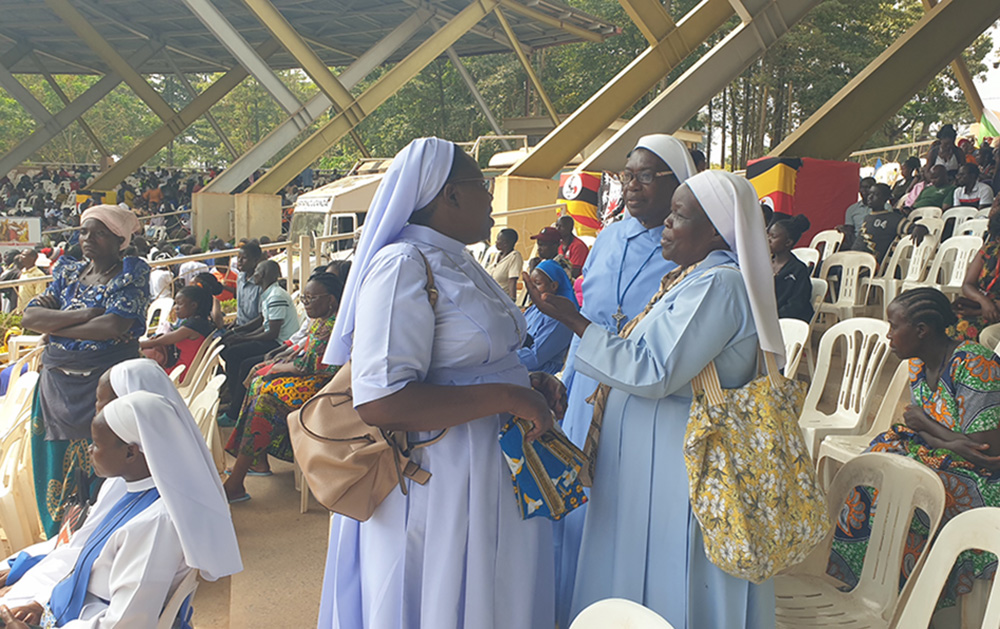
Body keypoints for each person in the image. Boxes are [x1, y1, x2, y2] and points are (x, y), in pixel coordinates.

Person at [317, 138, 563, 629]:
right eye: (483, 185)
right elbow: (382, 400)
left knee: (491, 592)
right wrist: (508, 395)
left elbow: (471, 357)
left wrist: (527, 380)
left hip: (489, 462)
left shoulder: (458, 258)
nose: (492, 196)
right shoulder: (404, 264)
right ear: (449, 195)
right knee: (443, 596)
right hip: (440, 474)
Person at [524, 169, 781, 627]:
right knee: (639, 566)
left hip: (680, 460)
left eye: (678, 216)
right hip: (652, 457)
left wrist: (576, 323)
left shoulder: (718, 284)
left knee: (672, 574)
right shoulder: (690, 279)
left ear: (715, 229)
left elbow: (654, 369)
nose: (665, 224)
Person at [553, 134, 695, 628]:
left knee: (621, 509)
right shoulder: (609, 237)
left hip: (639, 396)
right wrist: (565, 383)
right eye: (626, 175)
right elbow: (591, 315)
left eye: (646, 176)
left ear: (678, 184)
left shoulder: (691, 250)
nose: (632, 186)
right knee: (576, 500)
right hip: (585, 385)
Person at [0, 390, 242, 628]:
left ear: (130, 452)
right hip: (81, 609)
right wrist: (47, 605)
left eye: (95, 444)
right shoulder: (136, 490)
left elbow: (126, 623)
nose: (89, 451)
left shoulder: (156, 523)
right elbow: (89, 562)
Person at [829, 288, 1000, 610]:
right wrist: (938, 436)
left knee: (908, 494)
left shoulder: (976, 363)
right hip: (943, 458)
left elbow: (985, 450)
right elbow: (919, 429)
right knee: (873, 474)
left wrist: (927, 426)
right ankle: (870, 590)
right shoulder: (918, 365)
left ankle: (913, 602)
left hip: (986, 481)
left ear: (921, 331)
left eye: (894, 326)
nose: (889, 335)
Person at [21, 204, 149, 538]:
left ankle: (100, 538)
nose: (88, 239)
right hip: (56, 389)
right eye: (84, 232)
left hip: (105, 386)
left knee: (107, 463)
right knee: (54, 464)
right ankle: (59, 538)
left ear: (120, 239)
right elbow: (30, 318)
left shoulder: (131, 274)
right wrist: (83, 316)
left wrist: (57, 324)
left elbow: (114, 325)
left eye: (100, 233)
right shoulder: (67, 272)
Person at [223, 272, 344, 502]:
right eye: (304, 298)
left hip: (326, 390)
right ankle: (257, 461)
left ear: (331, 300)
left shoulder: (333, 325)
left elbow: (305, 366)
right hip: (314, 381)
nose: (306, 303)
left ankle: (237, 481)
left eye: (311, 298)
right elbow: (303, 354)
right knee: (259, 382)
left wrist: (275, 368)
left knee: (265, 400)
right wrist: (274, 364)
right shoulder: (321, 321)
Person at [220, 260, 299, 423]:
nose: (254, 274)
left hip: (280, 344)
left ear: (262, 275)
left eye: (256, 270)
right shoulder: (269, 294)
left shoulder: (276, 296)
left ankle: (235, 411)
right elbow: (263, 322)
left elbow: (271, 333)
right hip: (274, 340)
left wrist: (242, 338)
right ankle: (234, 398)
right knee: (231, 350)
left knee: (242, 362)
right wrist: (237, 332)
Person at [139, 280, 220, 372]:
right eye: (175, 303)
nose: (176, 308)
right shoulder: (201, 322)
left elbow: (164, 340)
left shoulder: (193, 326)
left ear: (193, 305)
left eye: (180, 304)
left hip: (181, 371)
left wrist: (140, 344)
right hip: (188, 369)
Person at [952, 195, 1000, 342]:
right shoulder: (989, 250)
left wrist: (977, 311)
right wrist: (982, 301)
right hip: (983, 306)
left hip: (992, 314)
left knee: (962, 333)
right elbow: (968, 284)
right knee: (941, 321)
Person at [517, 259, 578, 375]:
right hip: (521, 363)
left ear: (554, 286)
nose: (532, 289)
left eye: (538, 284)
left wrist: (503, 360)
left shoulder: (561, 318)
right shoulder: (535, 308)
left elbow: (535, 358)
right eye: (531, 284)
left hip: (540, 374)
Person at [768, 214, 814, 322]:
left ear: (788, 242)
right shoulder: (765, 265)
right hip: (768, 319)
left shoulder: (798, 270)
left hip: (790, 322)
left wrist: (772, 318)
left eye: (773, 237)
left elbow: (796, 305)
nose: (768, 239)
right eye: (768, 235)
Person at [850, 183, 904, 265]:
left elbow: (912, 227)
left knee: (840, 271)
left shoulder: (892, 218)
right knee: (824, 265)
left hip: (869, 263)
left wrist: (919, 228)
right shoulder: (868, 217)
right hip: (854, 258)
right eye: (870, 193)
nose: (870, 197)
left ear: (885, 198)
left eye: (875, 195)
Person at [484, 227, 523, 300]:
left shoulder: (514, 256)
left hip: (501, 299)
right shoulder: (496, 256)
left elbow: (512, 279)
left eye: (498, 239)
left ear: (505, 243)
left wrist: (512, 299)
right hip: (488, 297)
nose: (496, 242)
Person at [839, 176, 876, 247]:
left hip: (875, 241)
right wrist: (843, 229)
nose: (864, 190)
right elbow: (850, 230)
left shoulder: (885, 207)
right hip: (857, 241)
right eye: (862, 187)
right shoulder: (852, 209)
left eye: (868, 187)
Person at [233, 240, 263, 326]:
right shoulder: (240, 277)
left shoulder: (260, 284)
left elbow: (261, 317)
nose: (239, 261)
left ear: (255, 260)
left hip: (253, 329)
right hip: (240, 325)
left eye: (244, 258)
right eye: (238, 257)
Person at [15, 249, 47, 314]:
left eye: (24, 255)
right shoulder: (23, 272)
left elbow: (39, 295)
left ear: (32, 258)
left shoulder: (38, 275)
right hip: (21, 311)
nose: (20, 256)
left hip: (31, 312)